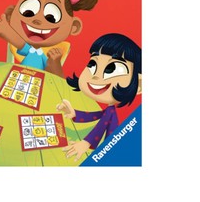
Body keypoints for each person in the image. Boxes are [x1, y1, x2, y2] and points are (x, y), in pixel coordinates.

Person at [57, 33, 142, 161]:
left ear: (139, 85)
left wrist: (85, 143)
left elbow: (100, 127)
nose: (96, 76)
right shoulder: (109, 110)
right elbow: (98, 116)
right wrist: (75, 114)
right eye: (93, 64)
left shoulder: (117, 114)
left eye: (112, 68)